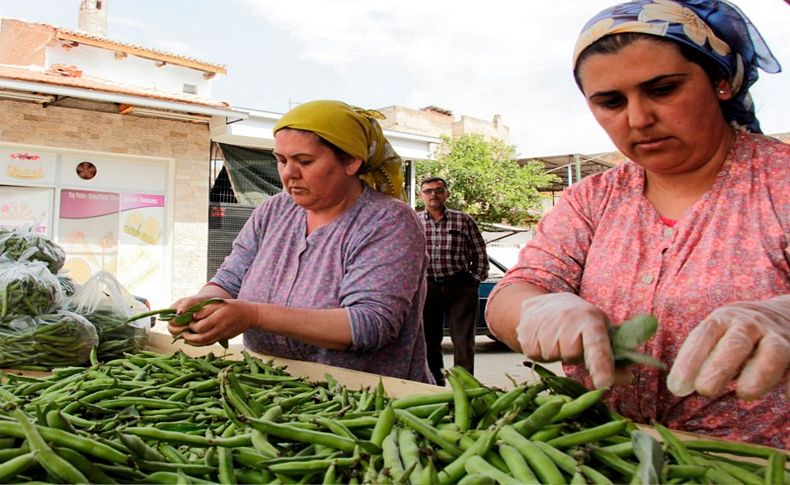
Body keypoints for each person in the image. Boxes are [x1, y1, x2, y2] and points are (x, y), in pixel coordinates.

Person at [486, 0, 788, 447]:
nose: (638, 119)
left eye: (663, 90)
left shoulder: (779, 183)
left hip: (753, 462)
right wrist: (535, 310)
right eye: (610, 102)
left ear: (721, 82)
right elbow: (513, 293)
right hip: (604, 455)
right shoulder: (594, 198)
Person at [169, 100, 434, 384]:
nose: (288, 173)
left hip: (363, 398)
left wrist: (254, 315)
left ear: (351, 161)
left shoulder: (387, 221)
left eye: (305, 161)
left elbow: (370, 324)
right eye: (281, 160)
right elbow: (231, 279)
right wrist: (203, 302)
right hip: (271, 387)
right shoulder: (273, 211)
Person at [418, 176, 488, 386]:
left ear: (446, 194)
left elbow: (480, 255)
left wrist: (472, 283)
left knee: (463, 341)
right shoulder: (414, 220)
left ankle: (465, 388)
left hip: (459, 287)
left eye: (438, 190)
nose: (434, 195)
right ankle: (435, 386)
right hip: (428, 287)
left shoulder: (463, 220)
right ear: (422, 196)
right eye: (428, 191)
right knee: (429, 341)